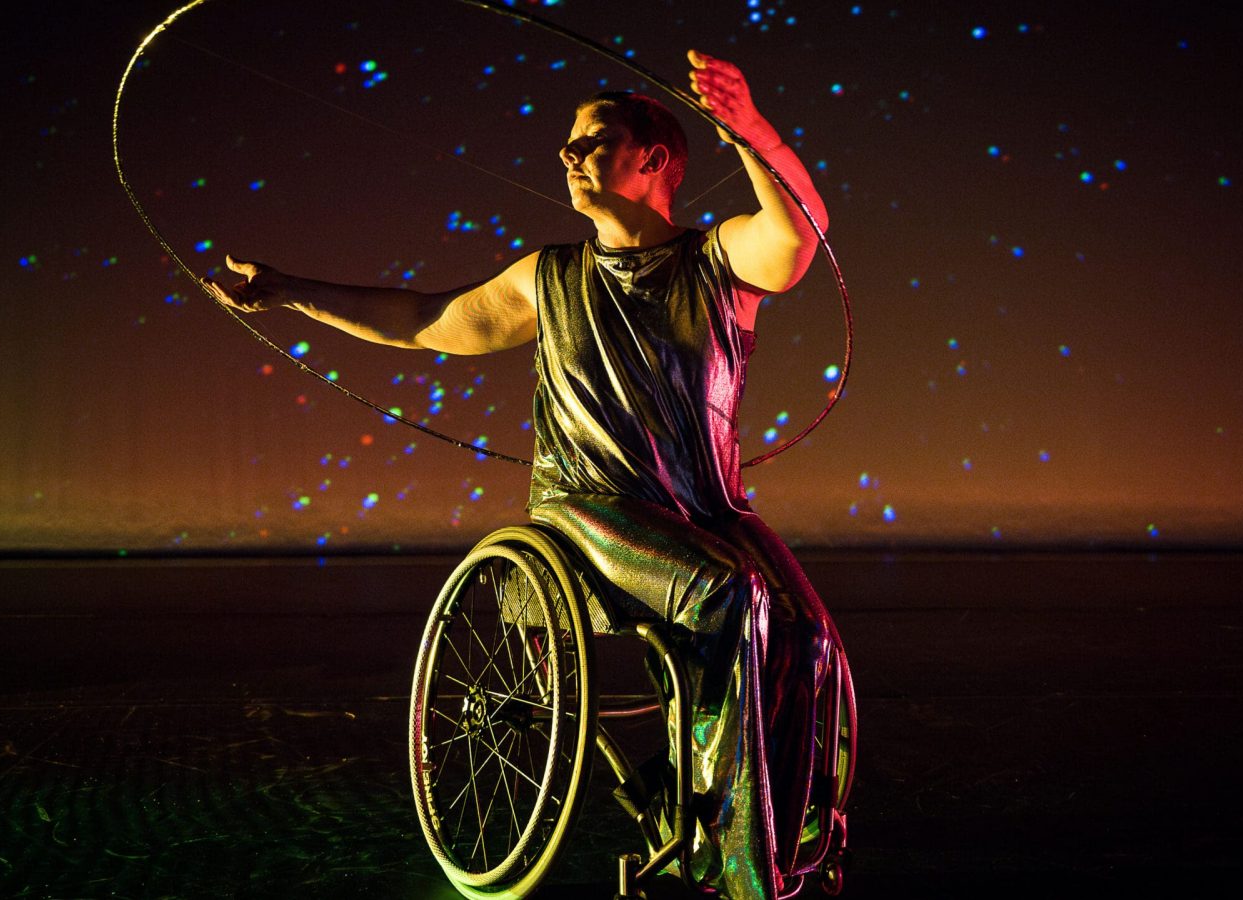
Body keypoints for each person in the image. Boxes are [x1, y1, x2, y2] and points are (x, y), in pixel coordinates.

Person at [202, 50, 841, 900]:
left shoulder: (717, 263)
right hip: (590, 510)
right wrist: (289, 290)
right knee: (727, 596)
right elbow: (425, 320)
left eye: (593, 140)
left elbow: (798, 234)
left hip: (705, 509)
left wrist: (746, 126)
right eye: (568, 144)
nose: (568, 156)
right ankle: (736, 871)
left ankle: (760, 829)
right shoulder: (550, 277)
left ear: (655, 160)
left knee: (808, 639)